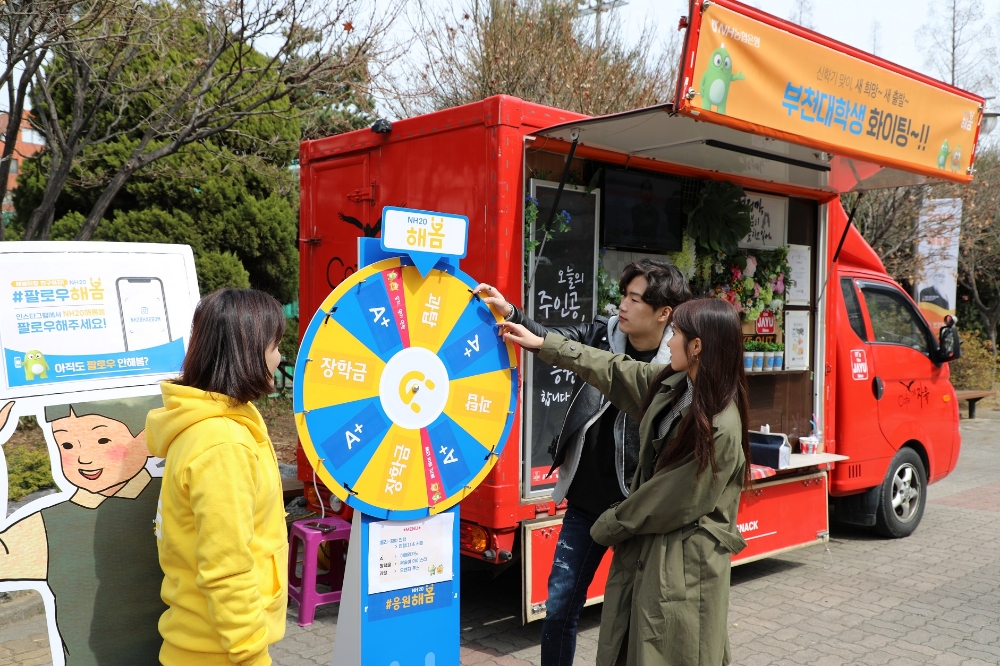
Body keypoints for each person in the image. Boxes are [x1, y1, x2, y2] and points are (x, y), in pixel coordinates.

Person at [500, 298, 751, 666]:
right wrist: (543, 344)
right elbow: (615, 369)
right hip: (653, 551)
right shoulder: (676, 383)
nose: (669, 342)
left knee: (669, 651)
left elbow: (668, 500)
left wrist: (607, 525)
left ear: (697, 346)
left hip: (682, 566)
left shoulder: (718, 424)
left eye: (677, 334)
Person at [475, 258, 691, 666]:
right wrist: (512, 313)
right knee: (559, 608)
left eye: (634, 298)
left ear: (664, 313)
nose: (622, 306)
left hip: (639, 510)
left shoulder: (675, 365)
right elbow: (551, 339)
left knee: (636, 615)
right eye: (623, 295)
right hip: (586, 503)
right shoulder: (601, 334)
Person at [145, 288, 288, 666]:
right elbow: (227, 567)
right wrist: (252, 654)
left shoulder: (211, 424)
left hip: (207, 640)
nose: (280, 357)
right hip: (222, 651)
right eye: (275, 346)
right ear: (249, 350)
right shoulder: (223, 443)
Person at [0, 396, 166, 665]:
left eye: (102, 441)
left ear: (146, 437)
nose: (84, 458)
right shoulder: (48, 525)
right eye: (66, 444)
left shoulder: (178, 494)